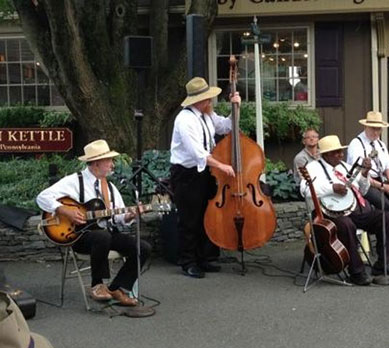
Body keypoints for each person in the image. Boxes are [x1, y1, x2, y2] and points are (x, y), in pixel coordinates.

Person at [36, 140, 151, 306]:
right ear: (97, 163)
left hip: (106, 236)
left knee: (143, 248)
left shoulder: (110, 187)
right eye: (109, 160)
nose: (112, 164)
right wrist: (64, 210)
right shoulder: (74, 181)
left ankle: (116, 288)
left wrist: (129, 216)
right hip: (79, 236)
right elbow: (42, 197)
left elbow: (118, 217)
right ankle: (97, 285)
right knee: (102, 236)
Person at [300, 135, 389, 286]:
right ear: (326, 154)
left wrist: (364, 174)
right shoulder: (313, 168)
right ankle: (356, 272)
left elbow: (362, 190)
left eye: (341, 152)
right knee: (346, 225)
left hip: (355, 209)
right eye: (337, 152)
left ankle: (386, 265)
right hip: (329, 213)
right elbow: (305, 190)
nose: (341, 155)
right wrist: (331, 188)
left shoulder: (344, 167)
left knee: (388, 218)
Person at [170, 77, 240, 279]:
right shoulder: (185, 120)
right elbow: (198, 154)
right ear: (196, 101)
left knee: (206, 214)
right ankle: (188, 261)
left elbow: (226, 127)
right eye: (207, 100)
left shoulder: (207, 115)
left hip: (205, 171)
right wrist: (223, 166)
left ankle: (204, 257)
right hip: (186, 173)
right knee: (189, 218)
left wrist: (236, 108)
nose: (210, 102)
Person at [347, 111, 389, 240]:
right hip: (365, 183)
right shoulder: (356, 145)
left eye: (379, 129)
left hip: (381, 180)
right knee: (386, 205)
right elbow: (360, 176)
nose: (376, 132)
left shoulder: (380, 144)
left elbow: (388, 168)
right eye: (373, 129)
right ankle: (386, 240)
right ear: (365, 127)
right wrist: (383, 186)